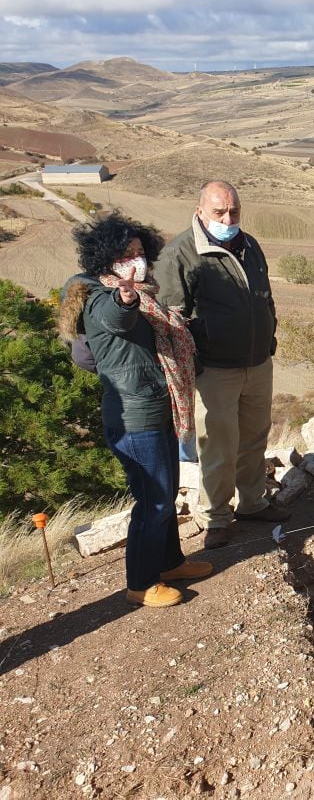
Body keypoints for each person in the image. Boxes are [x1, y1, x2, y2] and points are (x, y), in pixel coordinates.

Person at [60, 213, 213, 608]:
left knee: (166, 491)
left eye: (140, 251)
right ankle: (141, 583)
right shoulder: (100, 298)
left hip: (157, 407)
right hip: (134, 416)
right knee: (154, 499)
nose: (136, 259)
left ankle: (170, 562)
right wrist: (124, 298)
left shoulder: (147, 296)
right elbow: (116, 319)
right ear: (106, 258)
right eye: (126, 253)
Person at [156, 181, 289, 549]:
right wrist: (192, 365)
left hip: (258, 362)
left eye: (234, 212)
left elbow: (265, 298)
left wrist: (270, 336)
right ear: (200, 210)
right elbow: (171, 319)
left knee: (254, 438)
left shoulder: (249, 245)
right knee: (217, 445)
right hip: (213, 370)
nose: (228, 219)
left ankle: (253, 503)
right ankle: (216, 517)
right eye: (219, 212)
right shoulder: (179, 254)